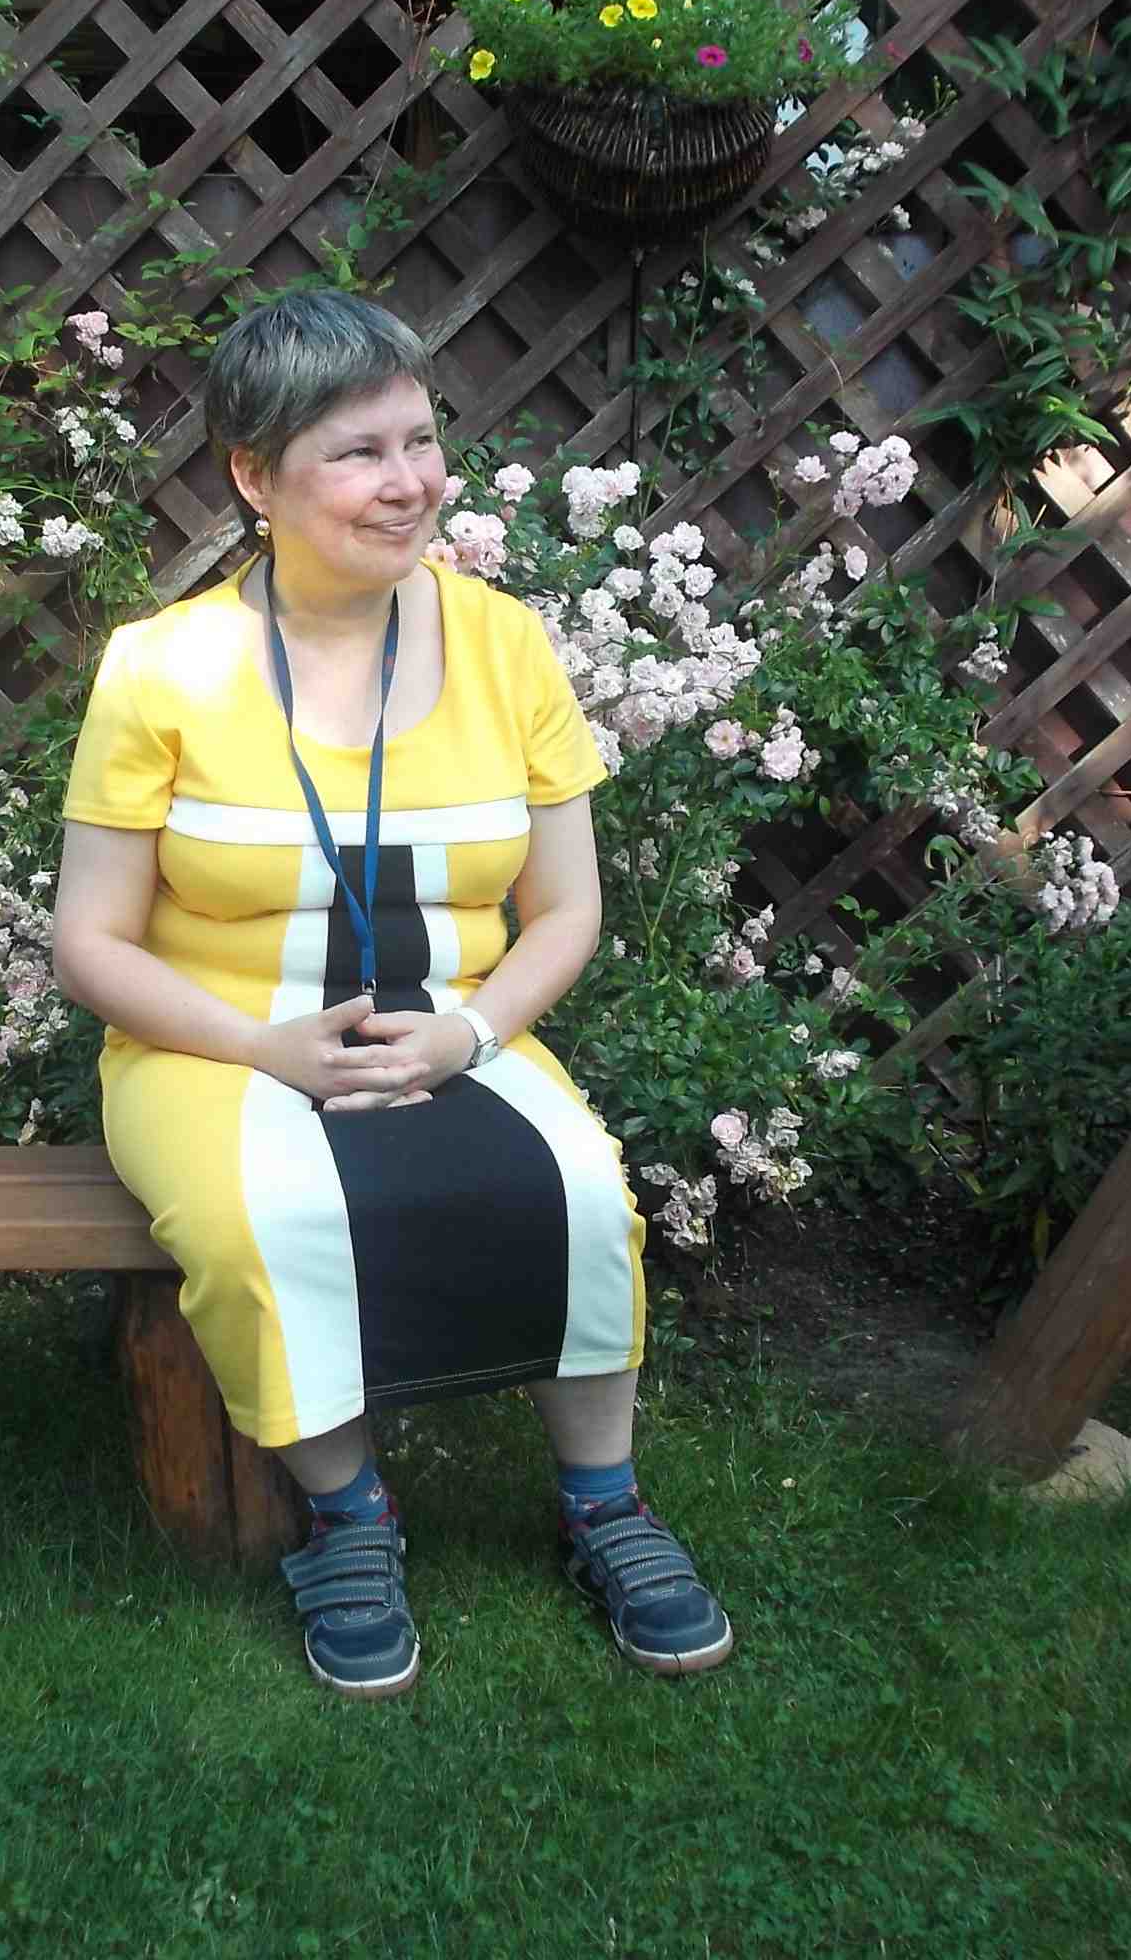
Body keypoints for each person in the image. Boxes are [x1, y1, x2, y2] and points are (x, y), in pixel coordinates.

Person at [53, 288, 731, 1698]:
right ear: (255, 478)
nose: (410, 481)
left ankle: (605, 1504)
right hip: (215, 1042)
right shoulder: (161, 667)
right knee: (266, 1218)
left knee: (582, 1194)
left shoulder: (506, 644)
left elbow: (568, 908)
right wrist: (264, 1047)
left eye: (420, 440)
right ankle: (351, 1514)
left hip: (455, 1021)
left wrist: (473, 1032)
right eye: (359, 452)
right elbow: (93, 945)